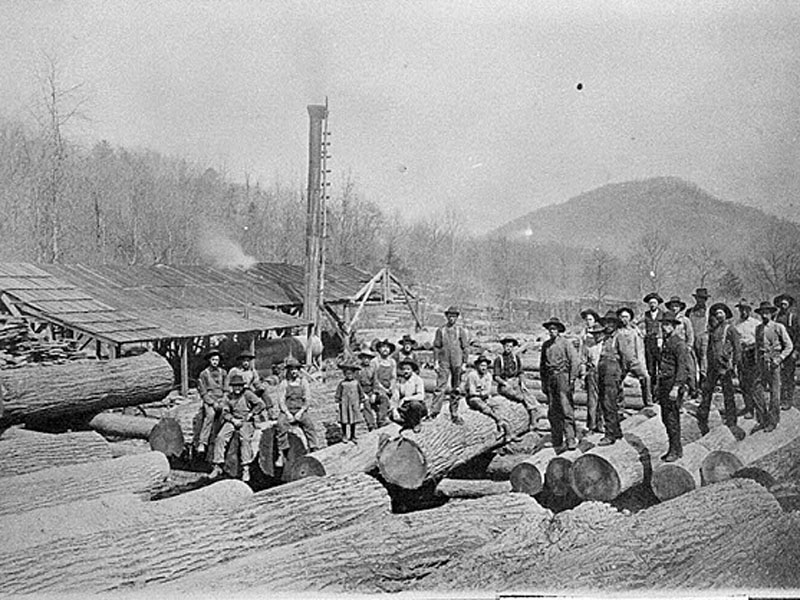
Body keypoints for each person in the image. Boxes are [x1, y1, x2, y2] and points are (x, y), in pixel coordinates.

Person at [209, 373, 266, 482]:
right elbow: (225, 412)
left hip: (246, 421)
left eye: (239, 386)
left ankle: (246, 468)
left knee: (245, 439)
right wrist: (232, 420)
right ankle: (218, 465)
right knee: (220, 437)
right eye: (235, 386)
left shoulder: (248, 394)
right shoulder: (228, 397)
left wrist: (251, 414)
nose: (237, 388)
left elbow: (260, 404)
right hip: (233, 420)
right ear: (232, 386)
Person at [698, 303, 742, 434]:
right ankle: (703, 420)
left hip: (725, 367)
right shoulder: (713, 330)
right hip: (713, 367)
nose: (718, 315)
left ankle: (732, 421)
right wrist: (705, 366)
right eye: (716, 313)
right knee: (706, 393)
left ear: (725, 314)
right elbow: (709, 350)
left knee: (728, 394)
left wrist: (734, 365)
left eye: (721, 313)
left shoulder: (731, 329)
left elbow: (737, 349)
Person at [753, 301, 794, 433]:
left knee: (774, 393)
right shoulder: (758, 328)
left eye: (767, 313)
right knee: (756, 390)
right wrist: (757, 361)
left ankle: (773, 421)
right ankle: (763, 419)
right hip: (761, 362)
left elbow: (789, 346)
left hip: (774, 362)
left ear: (771, 314)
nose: (764, 315)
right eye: (762, 313)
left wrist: (780, 359)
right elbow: (757, 347)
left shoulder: (778, 327)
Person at [540, 317, 580, 450]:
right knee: (553, 409)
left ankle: (570, 438)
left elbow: (575, 361)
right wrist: (544, 383)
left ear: (558, 330)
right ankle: (556, 439)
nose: (552, 332)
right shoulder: (546, 345)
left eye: (554, 329)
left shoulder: (565, 343)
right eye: (550, 329)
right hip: (551, 378)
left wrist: (572, 378)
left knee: (566, 408)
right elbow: (542, 366)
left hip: (563, 377)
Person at [656, 311, 692, 462]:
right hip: (665, 382)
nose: (665, 327)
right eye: (664, 324)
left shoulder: (679, 344)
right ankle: (675, 448)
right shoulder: (666, 341)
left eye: (668, 325)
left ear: (674, 326)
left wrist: (676, 387)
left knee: (672, 418)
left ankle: (675, 450)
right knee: (666, 417)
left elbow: (683, 367)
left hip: (673, 383)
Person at [430, 306, 470, 424]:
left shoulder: (461, 331)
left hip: (457, 363)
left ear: (457, 318)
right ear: (446, 316)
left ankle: (454, 412)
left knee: (456, 388)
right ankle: (434, 411)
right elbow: (436, 347)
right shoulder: (441, 330)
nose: (452, 318)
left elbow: (465, 348)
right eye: (450, 316)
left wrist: (464, 363)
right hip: (444, 362)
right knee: (440, 387)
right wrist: (436, 362)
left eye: (454, 316)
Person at [275, 356, 320, 455]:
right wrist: (288, 414)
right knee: (280, 424)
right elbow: (281, 401)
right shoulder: (284, 383)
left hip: (300, 410)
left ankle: (314, 447)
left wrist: (300, 412)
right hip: (287, 410)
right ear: (288, 371)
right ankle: (282, 451)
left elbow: (307, 399)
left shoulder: (303, 382)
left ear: (299, 371)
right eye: (291, 370)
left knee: (309, 425)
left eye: (295, 369)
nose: (294, 372)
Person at [493, 336, 537, 430]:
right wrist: (504, 383)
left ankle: (533, 422)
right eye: (506, 346)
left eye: (510, 346)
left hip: (515, 382)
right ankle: (523, 402)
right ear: (503, 347)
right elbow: (496, 376)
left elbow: (520, 372)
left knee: (529, 397)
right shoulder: (499, 359)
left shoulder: (515, 358)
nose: (508, 348)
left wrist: (522, 382)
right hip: (505, 384)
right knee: (519, 396)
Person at [597, 310, 627, 446]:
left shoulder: (619, 337)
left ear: (616, 324)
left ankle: (609, 434)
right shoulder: (605, 338)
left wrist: (621, 374)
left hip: (612, 372)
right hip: (603, 371)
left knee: (609, 403)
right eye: (606, 322)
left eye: (611, 323)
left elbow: (626, 357)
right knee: (605, 402)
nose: (608, 325)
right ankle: (616, 430)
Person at [466, 354, 512, 439]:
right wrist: (482, 393)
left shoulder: (488, 375)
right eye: (481, 365)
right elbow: (472, 392)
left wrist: (483, 393)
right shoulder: (472, 375)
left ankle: (503, 430)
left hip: (484, 397)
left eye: (485, 366)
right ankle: (498, 420)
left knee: (498, 406)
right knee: (483, 406)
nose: (483, 368)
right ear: (477, 366)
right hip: (472, 398)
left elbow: (488, 390)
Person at [193, 348, 227, 459]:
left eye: (217, 360)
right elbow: (203, 392)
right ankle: (202, 442)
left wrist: (222, 401)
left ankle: (218, 438)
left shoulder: (223, 372)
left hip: (221, 399)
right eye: (213, 360)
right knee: (210, 415)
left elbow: (226, 389)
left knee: (224, 415)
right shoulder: (204, 374)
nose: (215, 362)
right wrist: (212, 403)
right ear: (209, 360)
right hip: (210, 400)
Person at [616, 306, 652, 407]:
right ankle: (620, 403)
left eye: (626, 317)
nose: (624, 319)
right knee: (617, 380)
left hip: (634, 360)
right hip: (621, 361)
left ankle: (648, 401)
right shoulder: (617, 332)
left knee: (646, 378)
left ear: (630, 318)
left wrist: (640, 363)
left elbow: (639, 349)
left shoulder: (635, 331)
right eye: (622, 317)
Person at [664, 295, 697, 401]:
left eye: (676, 306)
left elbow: (690, 333)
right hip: (672, 347)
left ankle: (693, 390)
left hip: (683, 347)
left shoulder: (685, 320)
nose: (674, 308)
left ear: (680, 308)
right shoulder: (667, 318)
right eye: (672, 306)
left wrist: (689, 346)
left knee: (689, 369)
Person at [734, 299, 760, 420]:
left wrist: (751, 345)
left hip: (752, 354)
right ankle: (748, 406)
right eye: (741, 309)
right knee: (743, 382)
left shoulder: (756, 323)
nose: (743, 312)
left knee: (752, 382)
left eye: (745, 309)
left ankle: (755, 408)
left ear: (749, 310)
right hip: (741, 354)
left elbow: (760, 340)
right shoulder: (736, 324)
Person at [774, 293, 799, 411]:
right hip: (777, 350)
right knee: (778, 376)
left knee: (788, 376)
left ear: (789, 305)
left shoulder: (793, 317)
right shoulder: (775, 317)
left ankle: (788, 400)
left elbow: (798, 335)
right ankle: (780, 399)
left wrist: (796, 351)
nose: (783, 306)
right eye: (781, 304)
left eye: (785, 303)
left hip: (790, 350)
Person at [579, 322, 605, 434]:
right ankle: (591, 425)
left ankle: (602, 424)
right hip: (592, 373)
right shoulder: (588, 346)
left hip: (605, 373)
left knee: (604, 399)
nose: (597, 336)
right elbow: (583, 361)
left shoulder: (606, 345)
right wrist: (583, 375)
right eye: (595, 334)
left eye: (599, 333)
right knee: (592, 401)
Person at [639, 293, 665, 401]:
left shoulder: (663, 314)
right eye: (650, 303)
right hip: (649, 342)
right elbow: (635, 323)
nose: (652, 305)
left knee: (662, 367)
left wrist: (661, 338)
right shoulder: (646, 315)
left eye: (654, 303)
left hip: (660, 342)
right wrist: (641, 333)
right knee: (651, 368)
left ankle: (661, 393)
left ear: (658, 304)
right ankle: (652, 393)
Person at [391, 358, 428, 432]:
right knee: (391, 415)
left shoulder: (418, 380)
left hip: (418, 406)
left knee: (414, 405)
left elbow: (421, 396)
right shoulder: (400, 381)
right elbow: (395, 397)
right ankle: (406, 422)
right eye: (404, 369)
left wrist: (406, 398)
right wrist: (394, 409)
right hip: (405, 407)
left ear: (412, 370)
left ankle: (416, 424)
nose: (405, 371)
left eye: (408, 369)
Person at [686, 287, 711, 396]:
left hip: (704, 337)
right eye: (699, 298)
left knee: (703, 362)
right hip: (692, 337)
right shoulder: (690, 311)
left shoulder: (709, 311)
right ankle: (693, 387)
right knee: (691, 363)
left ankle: (703, 387)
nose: (701, 301)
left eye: (703, 299)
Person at [335, 358, 364, 444]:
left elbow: (361, 393)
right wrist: (337, 405)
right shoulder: (342, 384)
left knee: (353, 420)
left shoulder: (356, 383)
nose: (349, 375)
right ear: (344, 374)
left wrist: (361, 403)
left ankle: (353, 435)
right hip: (344, 405)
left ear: (354, 374)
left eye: (351, 374)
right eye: (347, 374)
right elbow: (338, 395)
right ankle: (344, 435)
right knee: (344, 420)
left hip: (354, 404)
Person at [370, 339, 397, 428]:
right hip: (377, 389)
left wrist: (391, 387)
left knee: (397, 396)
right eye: (383, 347)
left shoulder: (392, 362)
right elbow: (374, 379)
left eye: (387, 348)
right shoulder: (375, 361)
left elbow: (393, 377)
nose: (385, 349)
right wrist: (383, 389)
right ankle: (381, 420)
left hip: (389, 387)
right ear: (379, 349)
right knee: (384, 398)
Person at [356, 348, 378, 430]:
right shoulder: (358, 370)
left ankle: (382, 420)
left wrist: (374, 393)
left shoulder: (373, 368)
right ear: (361, 359)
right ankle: (371, 424)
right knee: (366, 403)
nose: (366, 360)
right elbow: (357, 384)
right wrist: (363, 395)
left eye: (368, 358)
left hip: (370, 390)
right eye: (364, 358)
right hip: (361, 391)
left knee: (384, 399)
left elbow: (375, 382)